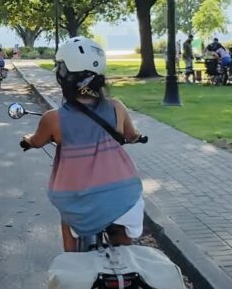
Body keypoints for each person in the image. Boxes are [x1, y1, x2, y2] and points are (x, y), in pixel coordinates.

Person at [20, 37, 145, 252]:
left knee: (67, 217)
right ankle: (128, 271)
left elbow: (37, 141)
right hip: (126, 199)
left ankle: (72, 263)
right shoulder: (117, 108)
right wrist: (135, 138)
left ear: (63, 76)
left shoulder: (53, 119)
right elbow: (131, 135)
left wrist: (28, 140)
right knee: (127, 252)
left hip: (79, 204)